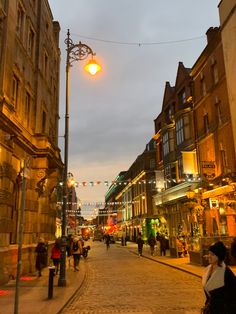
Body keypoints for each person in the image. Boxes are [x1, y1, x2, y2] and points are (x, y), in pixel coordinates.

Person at [201, 241, 236, 314]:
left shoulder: (226, 273)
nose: (209, 256)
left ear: (219, 256)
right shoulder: (207, 270)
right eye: (209, 253)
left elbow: (233, 298)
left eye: (212, 254)